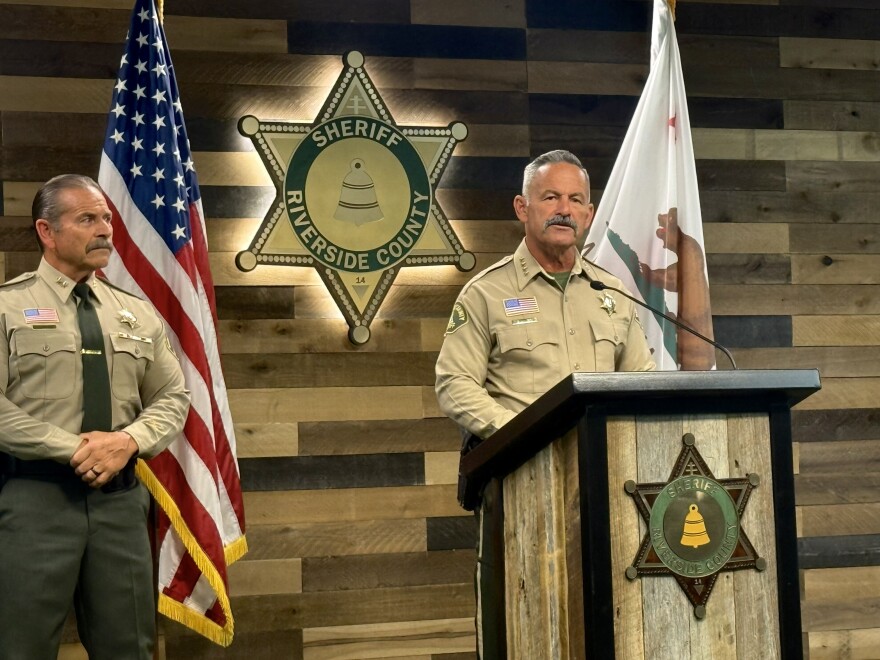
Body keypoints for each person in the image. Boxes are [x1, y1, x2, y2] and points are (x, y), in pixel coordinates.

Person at [435, 150, 655, 658]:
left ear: (590, 213)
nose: (564, 208)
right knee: (523, 620)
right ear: (522, 207)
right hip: (519, 483)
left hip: (606, 484)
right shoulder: (485, 294)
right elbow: (454, 384)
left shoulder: (615, 293)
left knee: (607, 615)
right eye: (550, 196)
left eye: (575, 199)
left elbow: (641, 380)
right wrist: (523, 432)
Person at [0, 174, 190, 659]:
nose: (104, 229)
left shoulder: (135, 313)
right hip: (34, 502)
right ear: (47, 230)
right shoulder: (8, 307)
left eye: (106, 218)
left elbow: (173, 396)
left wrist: (126, 443)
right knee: (20, 647)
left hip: (120, 506)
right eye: (87, 219)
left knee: (129, 648)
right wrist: (80, 450)